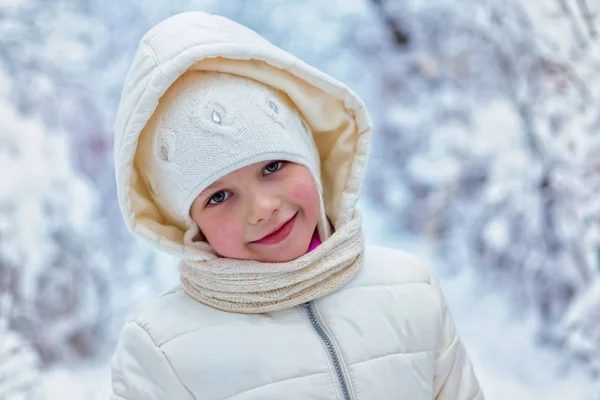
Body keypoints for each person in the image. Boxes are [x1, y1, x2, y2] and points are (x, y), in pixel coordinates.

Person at [110, 10, 483, 400]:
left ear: (312, 161)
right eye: (218, 196)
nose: (262, 208)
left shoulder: (411, 290)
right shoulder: (160, 351)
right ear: (187, 221)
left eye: (273, 166)